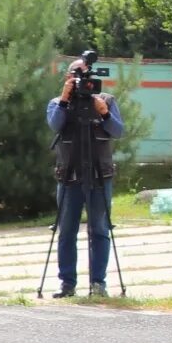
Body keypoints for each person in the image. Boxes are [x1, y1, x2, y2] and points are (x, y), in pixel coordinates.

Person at [47, 56, 125, 299]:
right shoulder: (57, 103)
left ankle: (98, 284)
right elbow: (55, 125)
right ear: (68, 78)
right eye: (75, 74)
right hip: (69, 177)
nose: (80, 79)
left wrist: (104, 114)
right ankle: (67, 284)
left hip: (100, 175)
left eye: (84, 74)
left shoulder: (106, 101)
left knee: (100, 229)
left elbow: (118, 131)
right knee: (67, 231)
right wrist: (63, 100)